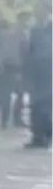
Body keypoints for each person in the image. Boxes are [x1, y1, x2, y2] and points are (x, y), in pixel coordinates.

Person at [24, 8, 53, 149]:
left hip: (45, 74)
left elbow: (30, 54)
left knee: (42, 107)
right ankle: (40, 136)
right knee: (38, 106)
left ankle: (42, 136)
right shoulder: (36, 32)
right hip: (39, 74)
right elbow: (29, 54)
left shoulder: (40, 33)